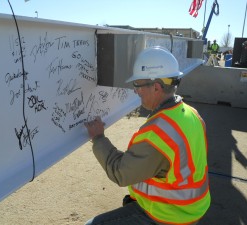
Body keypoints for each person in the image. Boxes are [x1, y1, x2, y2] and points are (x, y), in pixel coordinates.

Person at [84, 46, 211, 225]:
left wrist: (98, 139)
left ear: (157, 87)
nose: (136, 91)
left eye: (138, 85)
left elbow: (120, 172)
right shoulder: (192, 114)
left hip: (170, 214)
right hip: (193, 208)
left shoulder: (158, 133)